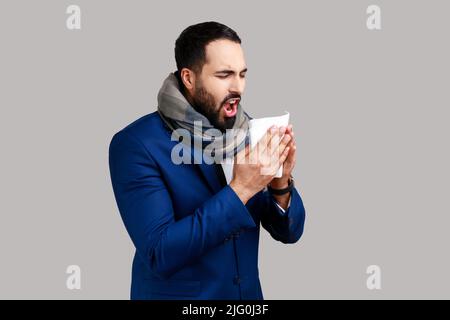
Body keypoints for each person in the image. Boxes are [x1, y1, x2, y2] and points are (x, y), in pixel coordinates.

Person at [109, 21, 306, 300]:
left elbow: (289, 232)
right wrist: (242, 189)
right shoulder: (136, 144)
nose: (237, 87)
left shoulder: (246, 132)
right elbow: (160, 253)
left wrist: (279, 182)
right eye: (224, 75)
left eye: (242, 74)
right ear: (189, 78)